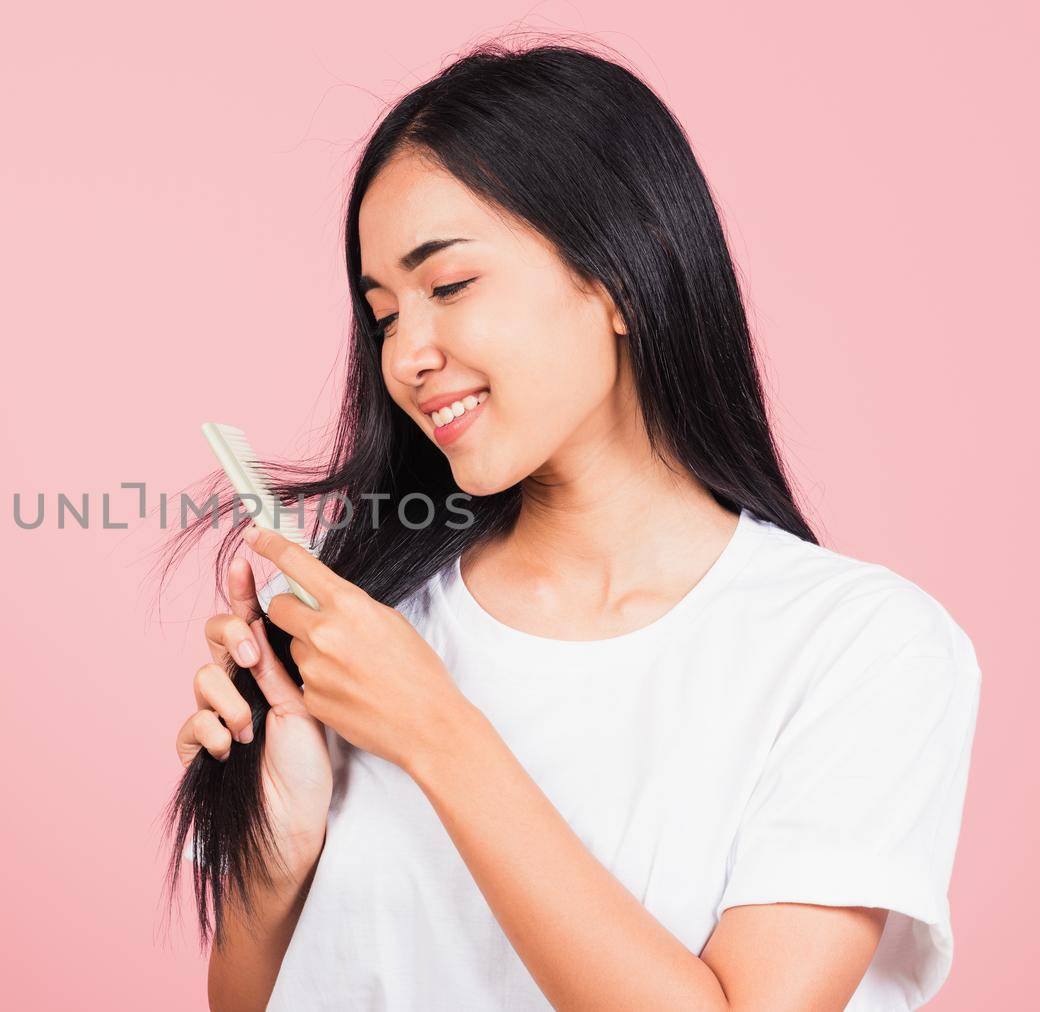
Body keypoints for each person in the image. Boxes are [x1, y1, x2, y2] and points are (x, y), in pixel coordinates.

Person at [162, 40, 981, 1011]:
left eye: (449, 286)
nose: (406, 354)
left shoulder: (859, 649)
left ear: (621, 275)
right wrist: (276, 853)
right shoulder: (367, 629)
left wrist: (437, 730)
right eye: (382, 313)